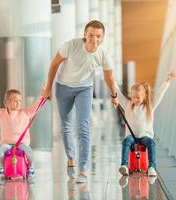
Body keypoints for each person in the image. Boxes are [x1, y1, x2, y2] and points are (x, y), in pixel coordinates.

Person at [42, 20, 119, 183]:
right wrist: (48, 88)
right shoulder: (70, 46)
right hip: (63, 87)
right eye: (91, 35)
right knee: (66, 126)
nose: (94, 39)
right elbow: (54, 64)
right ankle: (71, 158)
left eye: (98, 36)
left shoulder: (103, 54)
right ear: (85, 35)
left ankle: (83, 169)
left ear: (103, 37)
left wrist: (114, 95)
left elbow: (109, 76)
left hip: (85, 89)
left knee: (83, 127)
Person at [118, 71, 176, 177]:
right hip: (131, 136)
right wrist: (110, 80)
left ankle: (152, 167)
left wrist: (167, 81)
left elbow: (159, 94)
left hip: (145, 136)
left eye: (138, 97)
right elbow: (117, 94)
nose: (135, 99)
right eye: (133, 97)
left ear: (144, 96)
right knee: (126, 142)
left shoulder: (149, 107)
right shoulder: (128, 105)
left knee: (151, 144)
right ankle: (124, 165)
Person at [0, 89, 43, 177]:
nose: (18, 103)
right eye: (15, 101)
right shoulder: (2, 113)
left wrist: (42, 97)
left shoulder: (25, 113)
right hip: (6, 144)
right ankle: (3, 167)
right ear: (7, 102)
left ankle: (31, 167)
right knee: (0, 154)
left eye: (20, 101)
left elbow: (36, 107)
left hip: (21, 143)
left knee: (30, 154)